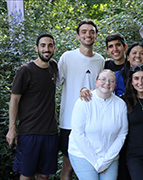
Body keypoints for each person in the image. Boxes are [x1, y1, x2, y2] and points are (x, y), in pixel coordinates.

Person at [6, 33, 59, 180]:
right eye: (43, 45)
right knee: (27, 174)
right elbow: (14, 100)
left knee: (43, 175)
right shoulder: (26, 71)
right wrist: (12, 129)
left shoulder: (54, 67)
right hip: (29, 132)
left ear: (54, 48)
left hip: (50, 132)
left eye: (50, 45)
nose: (46, 49)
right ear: (36, 48)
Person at [58, 19, 105, 179]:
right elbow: (53, 82)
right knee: (68, 166)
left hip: (93, 123)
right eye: (84, 31)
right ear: (78, 36)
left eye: (92, 31)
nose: (88, 35)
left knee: (90, 166)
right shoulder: (67, 57)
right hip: (69, 122)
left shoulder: (100, 60)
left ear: (96, 36)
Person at [68, 69, 128, 180]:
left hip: (109, 156)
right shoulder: (84, 101)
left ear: (115, 85)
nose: (107, 83)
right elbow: (78, 133)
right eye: (103, 79)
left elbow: (122, 134)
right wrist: (97, 162)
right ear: (96, 82)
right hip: (83, 154)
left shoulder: (120, 104)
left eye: (111, 81)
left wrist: (105, 161)